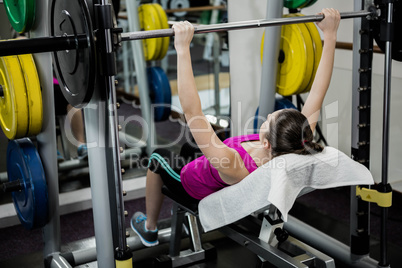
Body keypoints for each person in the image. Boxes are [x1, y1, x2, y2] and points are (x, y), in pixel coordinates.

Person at [131, 8, 341, 247]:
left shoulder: (232, 162)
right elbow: (317, 92)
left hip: (192, 188)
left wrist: (182, 49)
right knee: (190, 145)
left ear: (266, 143)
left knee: (158, 157)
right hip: (209, 170)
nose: (270, 112)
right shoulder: (295, 143)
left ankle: (149, 228)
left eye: (270, 117)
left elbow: (192, 113)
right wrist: (331, 36)